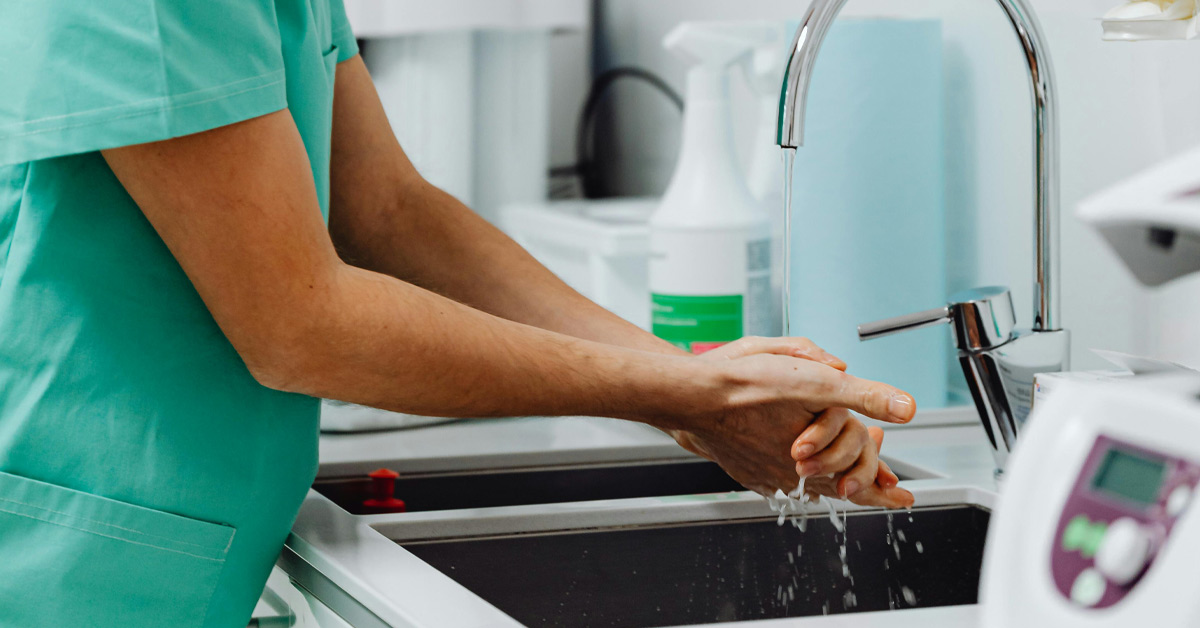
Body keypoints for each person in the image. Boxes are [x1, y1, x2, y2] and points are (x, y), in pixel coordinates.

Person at [0, 1, 916, 626]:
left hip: (165, 553)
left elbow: (389, 209)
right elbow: (299, 322)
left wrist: (691, 385)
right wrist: (684, 393)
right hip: (66, 565)